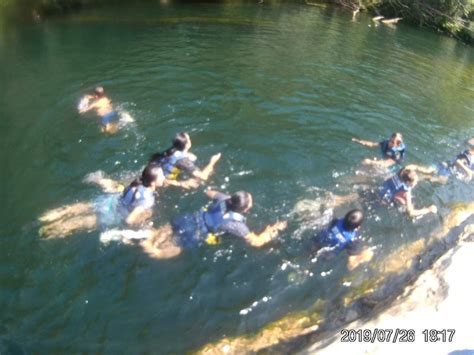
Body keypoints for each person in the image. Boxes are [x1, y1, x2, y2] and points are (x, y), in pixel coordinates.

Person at [138, 190, 287, 259]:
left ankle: (149, 237)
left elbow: (209, 192)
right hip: (197, 232)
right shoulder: (237, 225)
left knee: (165, 231)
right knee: (174, 249)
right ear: (246, 209)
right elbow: (256, 242)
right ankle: (150, 249)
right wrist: (272, 230)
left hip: (190, 218)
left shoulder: (224, 199)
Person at [39, 164, 165, 238]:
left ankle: (42, 219)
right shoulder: (147, 199)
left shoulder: (138, 181)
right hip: (111, 215)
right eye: (162, 176)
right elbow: (129, 220)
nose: (164, 177)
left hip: (109, 202)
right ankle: (45, 232)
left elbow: (120, 189)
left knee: (75, 208)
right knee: (78, 223)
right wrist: (145, 223)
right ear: (153, 182)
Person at [333, 167, 437, 219]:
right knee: (353, 210)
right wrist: (428, 209)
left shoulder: (398, 174)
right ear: (408, 182)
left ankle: (334, 199)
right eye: (415, 182)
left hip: (372, 191)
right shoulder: (406, 192)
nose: (416, 183)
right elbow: (411, 213)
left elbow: (407, 169)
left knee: (347, 198)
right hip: (376, 202)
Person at [150, 132, 222, 187]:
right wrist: (213, 161)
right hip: (163, 183)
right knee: (199, 180)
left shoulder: (170, 151)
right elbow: (204, 177)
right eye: (189, 139)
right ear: (187, 144)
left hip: (153, 174)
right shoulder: (183, 161)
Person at [408, 138, 474, 184]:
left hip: (444, 164)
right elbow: (458, 161)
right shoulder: (468, 156)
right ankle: (415, 176)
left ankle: (408, 170)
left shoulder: (469, 154)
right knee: (441, 180)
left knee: (425, 170)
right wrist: (468, 171)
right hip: (447, 170)